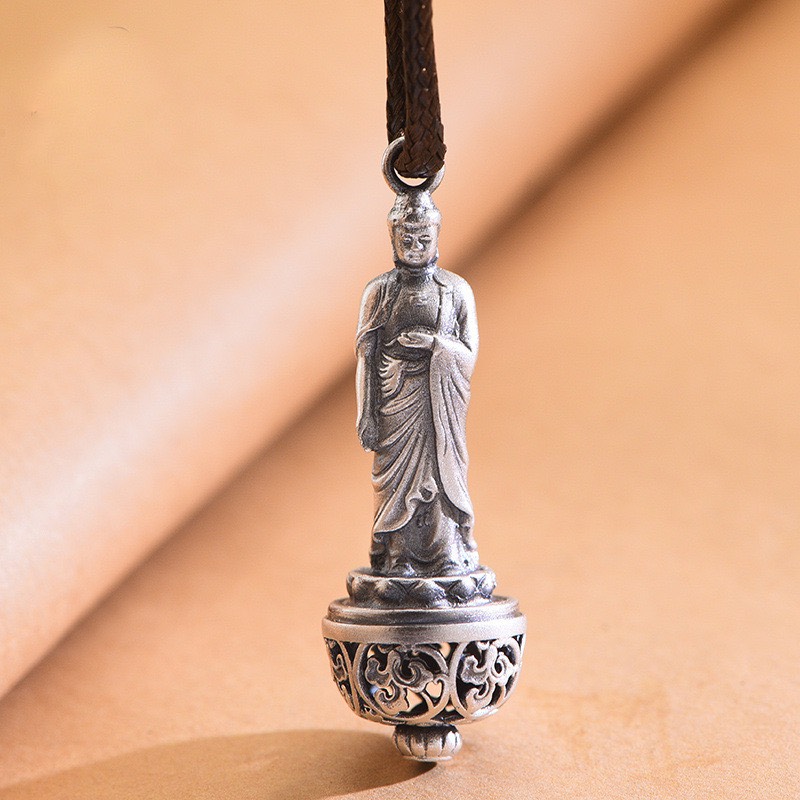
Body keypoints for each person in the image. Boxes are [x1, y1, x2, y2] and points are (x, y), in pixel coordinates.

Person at [356, 189, 479, 577]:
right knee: (397, 482)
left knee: (440, 474)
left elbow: (468, 353)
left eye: (423, 239)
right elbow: (366, 356)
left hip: (437, 403)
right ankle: (398, 556)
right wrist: (365, 414)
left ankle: (446, 553)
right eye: (406, 240)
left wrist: (436, 346)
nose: (414, 248)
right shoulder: (380, 291)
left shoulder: (455, 290)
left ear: (437, 237)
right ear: (392, 238)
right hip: (395, 401)